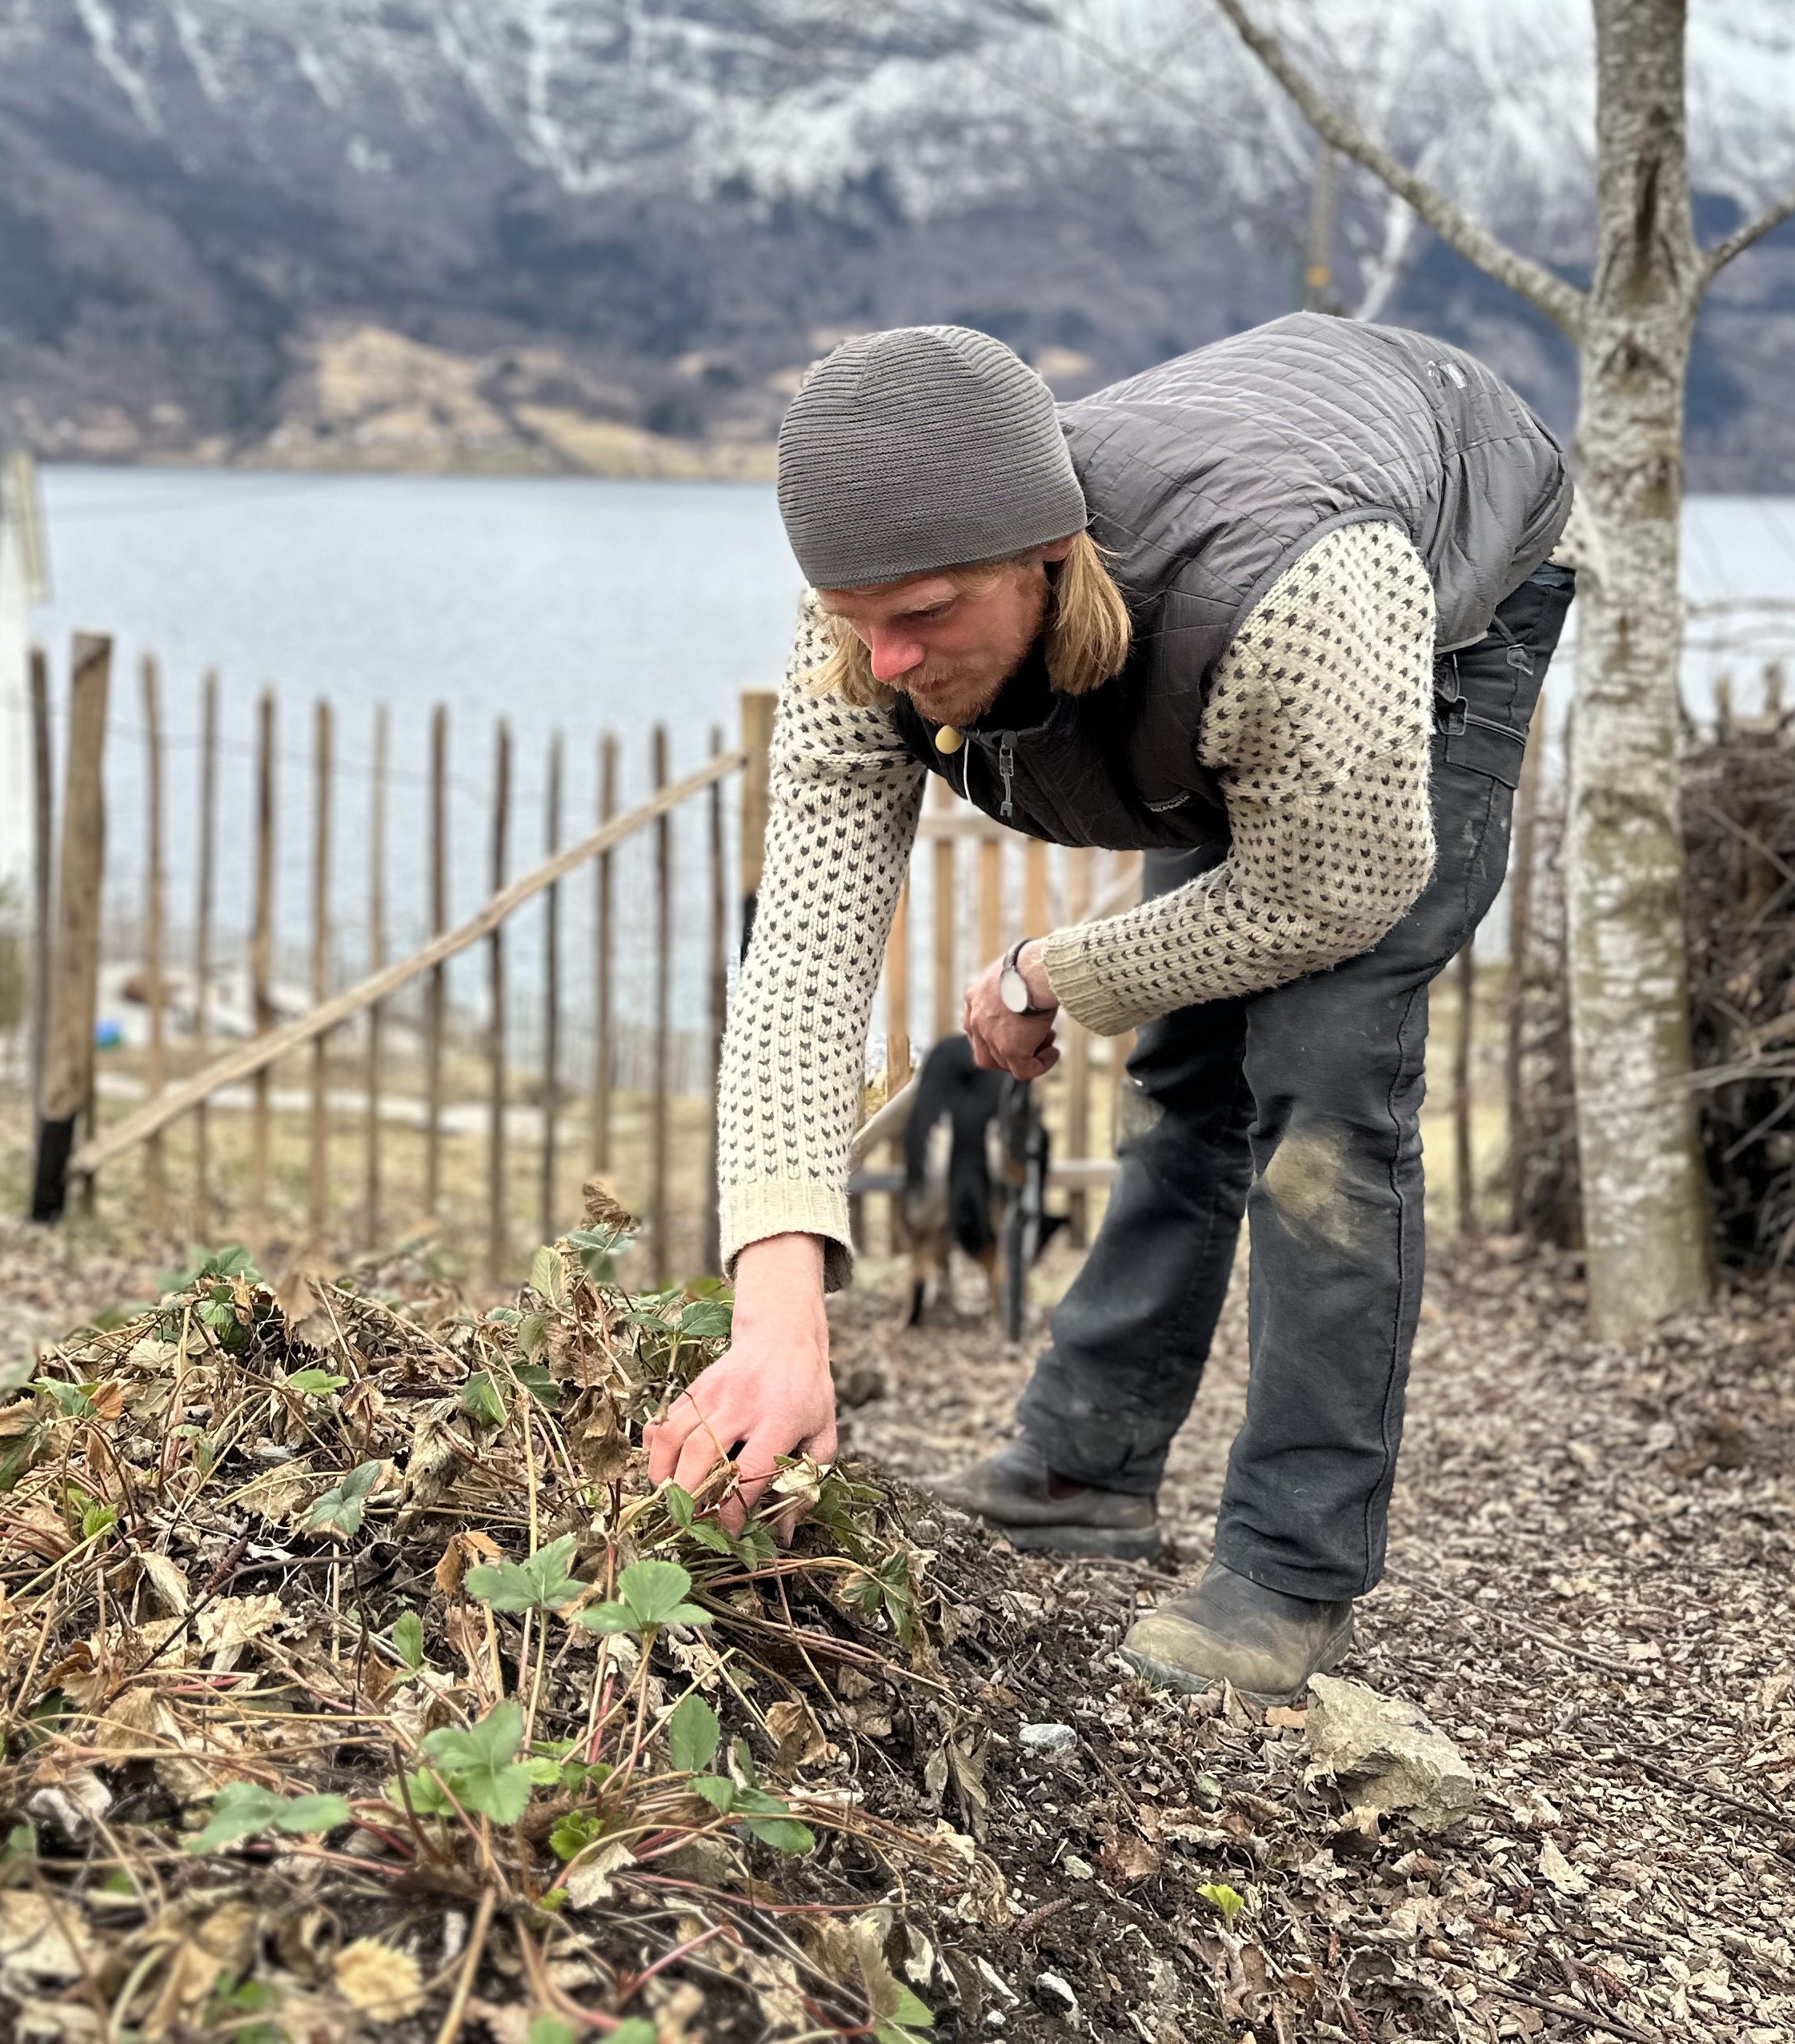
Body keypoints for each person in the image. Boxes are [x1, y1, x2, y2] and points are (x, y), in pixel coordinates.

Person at [641, 311, 1572, 1700]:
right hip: (1248, 616)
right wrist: (778, 1318)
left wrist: (1050, 975)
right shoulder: (868, 613)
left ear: (1051, 555)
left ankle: (1291, 1570)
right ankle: (1084, 1467)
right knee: (1189, 1070)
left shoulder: (1294, 605)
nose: (883, 661)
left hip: (1434, 561)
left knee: (1324, 1088)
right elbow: (806, 956)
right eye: (852, 619)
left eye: (925, 619)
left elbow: (1330, 895)